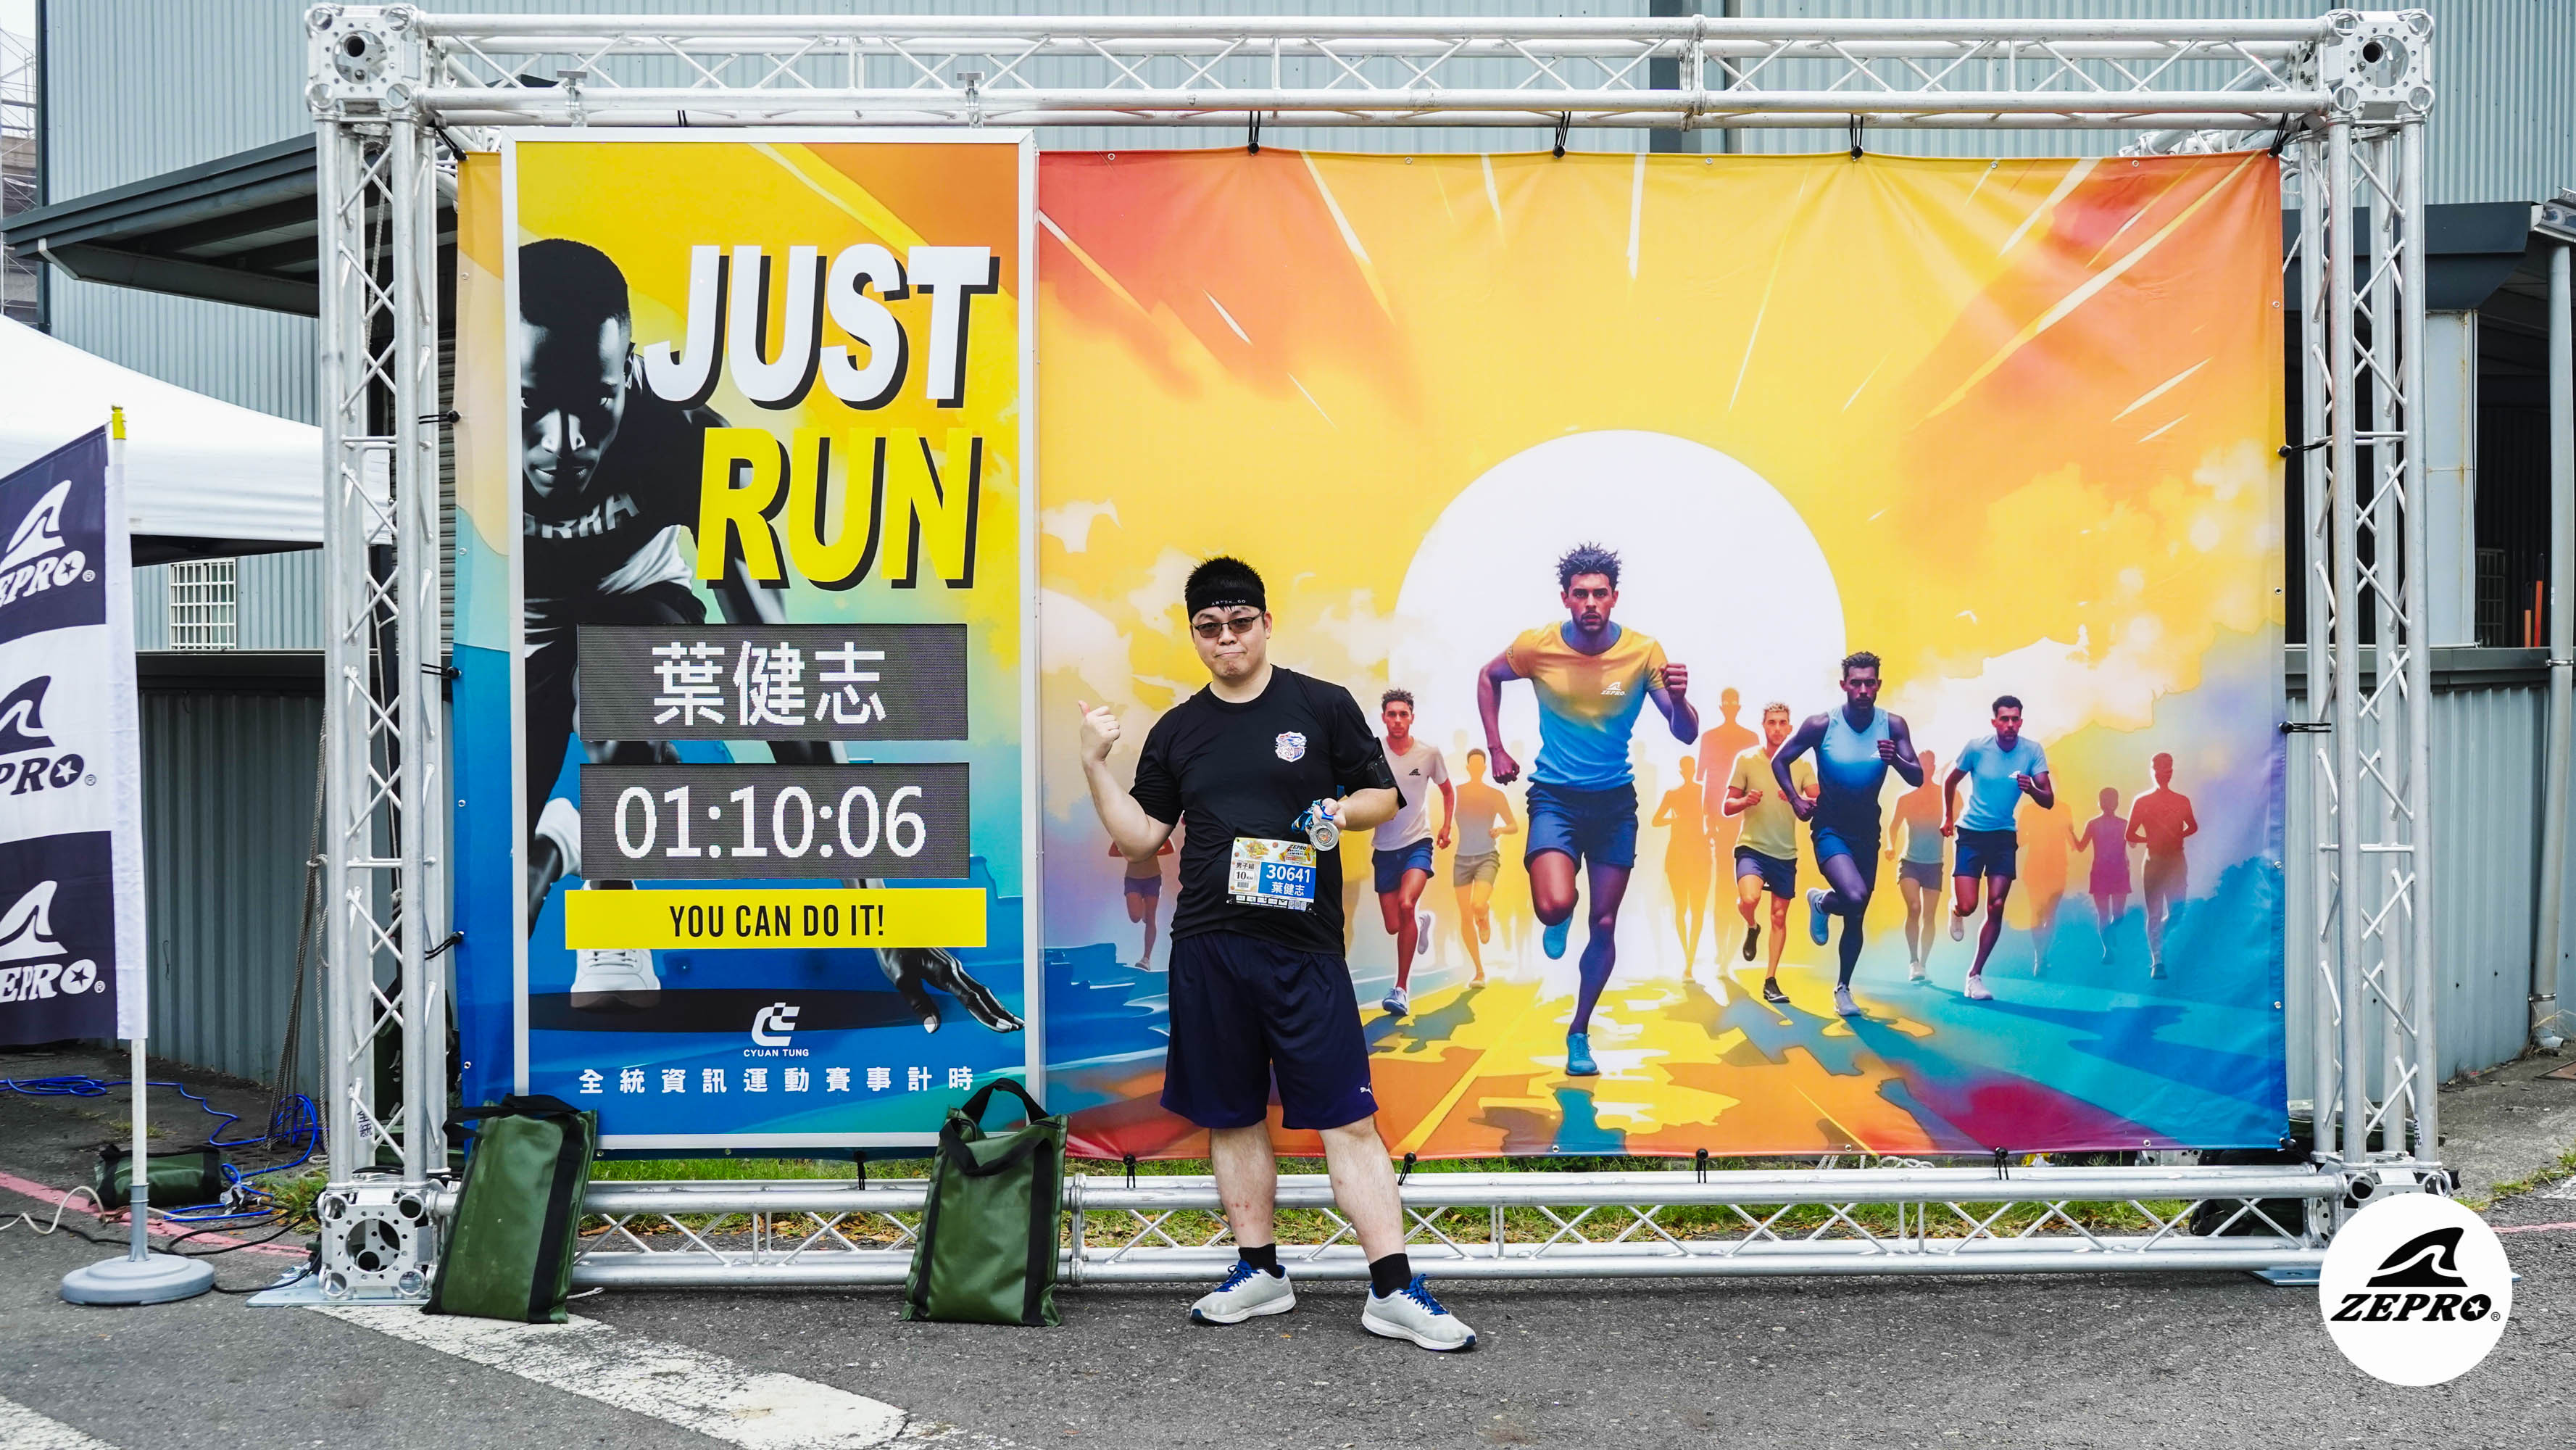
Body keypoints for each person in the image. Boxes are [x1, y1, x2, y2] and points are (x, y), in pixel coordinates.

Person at [513, 239, 1018, 1034]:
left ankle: (612, 904)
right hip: (532, 627)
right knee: (509, 885)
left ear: (630, 372)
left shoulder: (687, 439)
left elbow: (777, 670)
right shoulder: (471, 445)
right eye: (530, 404)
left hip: (638, 598)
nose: (562, 440)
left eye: (595, 401)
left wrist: (877, 912)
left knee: (622, 688)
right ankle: (563, 840)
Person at [1077, 556, 1474, 1351]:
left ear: (1264, 622)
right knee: (1231, 1115)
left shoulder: (1320, 705)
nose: (1226, 639)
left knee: (1348, 1119)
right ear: (1194, 634)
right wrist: (1093, 762)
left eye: (1239, 623)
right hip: (1209, 947)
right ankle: (1260, 1270)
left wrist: (1340, 809)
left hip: (1304, 949)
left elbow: (1382, 794)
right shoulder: (1177, 730)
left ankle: (1392, 1288)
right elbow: (1142, 836)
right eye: (1209, 627)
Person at [1476, 543, 1698, 1077]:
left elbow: (1686, 733)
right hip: (1555, 797)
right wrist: (1496, 748)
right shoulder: (1537, 646)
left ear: (1615, 597)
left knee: (1604, 921)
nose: (1591, 603)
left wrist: (1681, 699)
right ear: (1566, 598)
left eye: (1600, 594)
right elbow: (1487, 677)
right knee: (1555, 905)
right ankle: (1558, 915)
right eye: (1581, 594)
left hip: (1614, 804)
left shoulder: (1644, 652)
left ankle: (1579, 1031)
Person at [1775, 652, 1923, 1017]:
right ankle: (1824, 903)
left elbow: (1917, 776)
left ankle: (1842, 988)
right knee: (1854, 897)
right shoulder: (1821, 724)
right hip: (1830, 828)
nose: (1862, 690)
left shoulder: (1893, 725)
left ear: (1878, 685)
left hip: (1867, 832)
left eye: (1869, 683)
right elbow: (1780, 760)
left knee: (1857, 913)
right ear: (1844, 685)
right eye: (1855, 683)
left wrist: (1895, 759)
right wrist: (1795, 799)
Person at [1940, 695, 2053, 1002]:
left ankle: (1974, 976)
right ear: (1994, 722)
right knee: (1968, 906)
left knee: (1997, 904)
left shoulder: (2032, 751)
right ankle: (1956, 908)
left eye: (2015, 719)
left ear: (2021, 721)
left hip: (2003, 835)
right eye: (2004, 719)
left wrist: (2032, 788)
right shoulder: (1977, 748)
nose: (2010, 725)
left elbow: (2048, 800)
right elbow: (1950, 781)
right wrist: (1948, 817)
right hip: (1971, 833)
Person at [1724, 702, 1816, 1006]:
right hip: (1752, 846)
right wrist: (1745, 801)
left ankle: (1771, 981)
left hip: (1785, 852)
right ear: (1763, 726)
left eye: (1782, 723)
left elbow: (1819, 802)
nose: (1777, 728)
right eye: (1772, 722)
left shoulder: (1802, 764)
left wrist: (1796, 797)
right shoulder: (1747, 759)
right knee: (1749, 899)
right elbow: (1727, 805)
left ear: (1790, 728)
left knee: (1779, 916)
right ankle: (1752, 926)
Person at [1371, 689, 1453, 1018]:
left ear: (1412, 718)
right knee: (1395, 925)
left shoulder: (1428, 753)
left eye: (1403, 714)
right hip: (1384, 847)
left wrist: (1446, 826)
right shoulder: (1372, 751)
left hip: (1419, 842)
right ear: (1384, 718)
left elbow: (1448, 791)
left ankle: (1401, 989)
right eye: (1391, 714)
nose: (1397, 720)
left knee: (1406, 903)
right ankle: (1421, 921)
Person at [1694, 688, 1760, 957]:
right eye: (1727, 702)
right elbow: (1706, 781)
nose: (1731, 706)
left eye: (1734, 702)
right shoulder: (1710, 738)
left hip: (1747, 821)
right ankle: (1723, 953)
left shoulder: (1751, 739)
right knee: (1724, 884)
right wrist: (1708, 820)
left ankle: (1732, 949)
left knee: (1744, 884)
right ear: (1723, 707)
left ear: (1737, 707)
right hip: (1723, 822)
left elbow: (1760, 779)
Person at [1449, 748, 1520, 985]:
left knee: (1477, 904)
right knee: (1465, 916)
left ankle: (1484, 913)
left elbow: (1514, 825)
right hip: (1461, 860)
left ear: (1485, 768)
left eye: (1481, 765)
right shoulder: (1456, 794)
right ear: (1468, 768)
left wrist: (1501, 829)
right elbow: (1444, 816)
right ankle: (1479, 970)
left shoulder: (1495, 795)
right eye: (1474, 765)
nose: (1477, 768)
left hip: (1487, 857)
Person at [2126, 753, 2199, 978]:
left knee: (2178, 912)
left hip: (2176, 861)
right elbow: (2130, 834)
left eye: (2167, 769)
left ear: (2172, 772)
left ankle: (2160, 941)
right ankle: (2157, 961)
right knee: (2155, 913)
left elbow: (2192, 826)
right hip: (2154, 861)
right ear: (2152, 772)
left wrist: (2177, 835)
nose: (2163, 773)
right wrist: (2151, 839)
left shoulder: (2181, 801)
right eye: (2158, 769)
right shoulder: (2142, 802)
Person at [1884, 750, 1944, 982]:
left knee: (1929, 915)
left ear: (1934, 768)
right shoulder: (1906, 798)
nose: (1926, 769)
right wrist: (1890, 846)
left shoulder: (1944, 795)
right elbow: (1893, 826)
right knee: (1915, 907)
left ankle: (1924, 964)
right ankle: (1913, 961)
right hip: (1909, 862)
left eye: (1929, 765)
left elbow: (1960, 819)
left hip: (1934, 863)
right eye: (1921, 765)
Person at [1650, 755, 1714, 973]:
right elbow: (1656, 820)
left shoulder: (1701, 792)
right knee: (1681, 907)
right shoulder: (1673, 794)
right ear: (1682, 771)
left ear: (1693, 770)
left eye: (1690, 768)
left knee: (1696, 908)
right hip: (1679, 854)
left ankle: (1691, 956)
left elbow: (1711, 817)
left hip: (1698, 853)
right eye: (1685, 768)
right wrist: (1674, 820)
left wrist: (1710, 832)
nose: (1688, 771)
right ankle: (1687, 954)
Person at [2074, 787, 2132, 965]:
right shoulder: (2096, 824)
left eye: (2111, 800)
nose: (2109, 804)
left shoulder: (2124, 824)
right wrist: (2070, 833)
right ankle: (2107, 950)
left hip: (2116, 872)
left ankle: (2110, 937)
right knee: (2106, 915)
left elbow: (2133, 843)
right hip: (2105, 872)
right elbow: (2081, 847)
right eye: (2107, 800)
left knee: (2115, 915)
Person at [1112, 830, 1177, 972]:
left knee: (1151, 918)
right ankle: (1142, 908)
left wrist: (1150, 853)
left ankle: (1146, 958)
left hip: (1153, 877)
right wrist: (1133, 854)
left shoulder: (1156, 827)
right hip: (1133, 878)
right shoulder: (1124, 829)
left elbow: (1170, 848)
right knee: (1135, 917)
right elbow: (1113, 851)